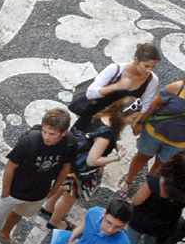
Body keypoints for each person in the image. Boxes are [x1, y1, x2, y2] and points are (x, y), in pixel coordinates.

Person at [0, 109, 74, 244]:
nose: (47, 137)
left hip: (39, 192)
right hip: (16, 189)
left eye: (52, 134)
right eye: (45, 131)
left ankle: (4, 235)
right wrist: (5, 191)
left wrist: (55, 188)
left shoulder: (70, 143)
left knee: (20, 212)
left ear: (63, 133)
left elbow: (66, 166)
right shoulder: (29, 142)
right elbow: (10, 166)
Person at [43, 96, 137, 231]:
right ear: (122, 115)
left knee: (62, 186)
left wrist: (113, 145)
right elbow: (92, 160)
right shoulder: (106, 135)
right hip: (81, 171)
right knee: (70, 197)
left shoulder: (100, 114)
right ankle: (55, 222)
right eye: (133, 118)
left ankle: (49, 207)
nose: (133, 122)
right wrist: (116, 157)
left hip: (72, 159)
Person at [121, 67, 185, 196]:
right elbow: (155, 103)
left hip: (179, 142)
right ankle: (129, 181)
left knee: (161, 165)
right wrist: (140, 121)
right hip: (153, 132)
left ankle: (147, 187)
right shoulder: (178, 88)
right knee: (142, 156)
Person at [124, 149, 185, 244]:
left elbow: (137, 201)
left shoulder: (155, 181)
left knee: (129, 243)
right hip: (164, 226)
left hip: (139, 221)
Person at [77, 44, 162, 131]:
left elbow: (145, 104)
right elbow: (90, 93)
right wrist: (116, 86)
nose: (149, 70)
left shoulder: (152, 80)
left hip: (116, 123)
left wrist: (132, 116)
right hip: (93, 115)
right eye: (146, 66)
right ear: (136, 60)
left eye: (153, 67)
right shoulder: (115, 69)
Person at [67, 199, 133, 244]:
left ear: (126, 224)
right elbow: (82, 225)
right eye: (108, 222)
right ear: (104, 213)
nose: (110, 230)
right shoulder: (93, 213)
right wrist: (70, 239)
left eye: (118, 227)